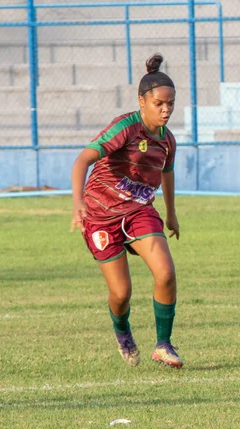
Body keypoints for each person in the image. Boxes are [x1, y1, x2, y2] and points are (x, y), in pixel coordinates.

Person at [70, 54, 183, 368]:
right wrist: (77, 201)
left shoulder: (168, 141)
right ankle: (122, 331)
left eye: (171, 104)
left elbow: (167, 173)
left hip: (138, 212)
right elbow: (82, 160)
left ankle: (163, 344)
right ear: (142, 101)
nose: (166, 110)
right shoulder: (125, 127)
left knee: (166, 273)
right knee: (121, 293)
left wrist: (171, 213)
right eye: (159, 103)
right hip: (100, 214)